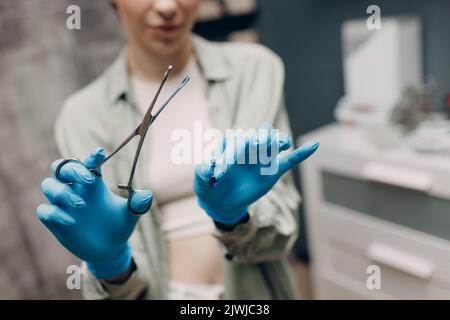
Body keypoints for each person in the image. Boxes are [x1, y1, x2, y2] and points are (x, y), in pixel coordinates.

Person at [36, 0, 318, 299]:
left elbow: (284, 231)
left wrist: (235, 217)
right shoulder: (82, 116)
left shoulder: (256, 70)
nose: (168, 6)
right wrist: (110, 265)